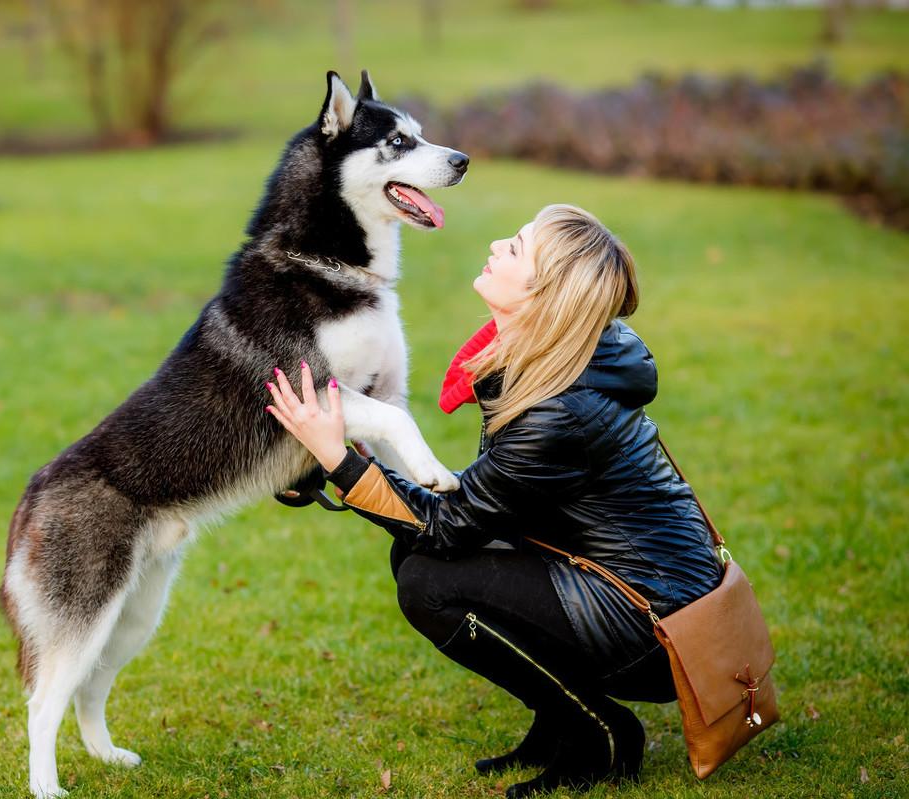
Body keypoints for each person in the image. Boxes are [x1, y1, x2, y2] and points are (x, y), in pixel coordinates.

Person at [262, 204, 723, 797]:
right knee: (419, 560)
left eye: (520, 247)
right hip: (637, 587)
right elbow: (478, 510)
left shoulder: (559, 409)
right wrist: (351, 467)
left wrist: (341, 462)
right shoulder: (559, 361)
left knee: (430, 581)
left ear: (546, 293)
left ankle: (600, 735)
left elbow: (448, 527)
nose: (500, 242)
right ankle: (558, 722)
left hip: (658, 628)